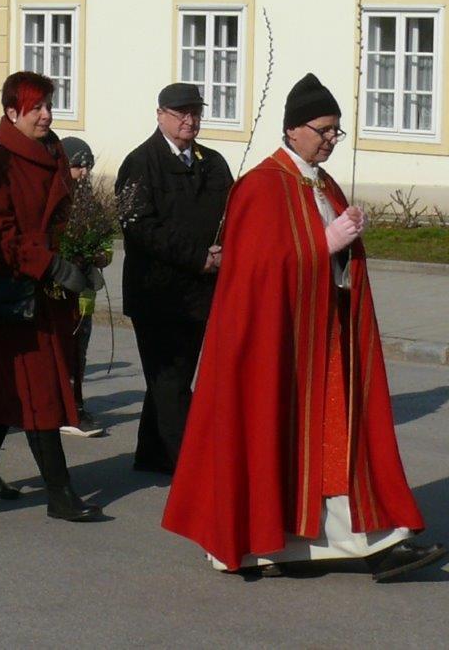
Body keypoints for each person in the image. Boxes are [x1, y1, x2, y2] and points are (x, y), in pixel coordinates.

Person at [162, 73, 446, 581]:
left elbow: (320, 258)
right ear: (293, 129)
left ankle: (372, 541)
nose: (332, 139)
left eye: (337, 130)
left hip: (324, 341)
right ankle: (265, 546)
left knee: (337, 443)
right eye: (324, 129)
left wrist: (345, 245)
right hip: (277, 347)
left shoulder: (321, 182)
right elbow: (254, 272)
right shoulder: (260, 185)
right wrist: (325, 245)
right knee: (278, 439)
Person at [0, 71, 102, 523]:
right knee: (38, 390)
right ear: (12, 112)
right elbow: (0, 237)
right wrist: (52, 265)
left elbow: (69, 216)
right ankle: (60, 494)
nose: (46, 115)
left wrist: (83, 253)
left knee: (6, 386)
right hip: (15, 292)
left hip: (50, 292)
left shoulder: (55, 152)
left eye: (48, 105)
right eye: (36, 108)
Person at [114, 83, 232, 474]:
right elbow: (139, 228)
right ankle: (192, 468)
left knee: (174, 375)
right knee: (171, 381)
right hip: (157, 293)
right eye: (181, 113)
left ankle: (152, 453)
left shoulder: (211, 162)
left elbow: (232, 211)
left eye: (195, 112)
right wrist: (197, 256)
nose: (190, 121)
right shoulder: (140, 162)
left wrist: (226, 251)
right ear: (160, 114)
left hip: (199, 292)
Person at [58, 136, 107, 438]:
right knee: (62, 353)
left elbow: (105, 240)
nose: (84, 173)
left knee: (79, 353)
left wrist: (101, 255)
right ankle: (64, 408)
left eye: (88, 166)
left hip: (85, 295)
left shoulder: (91, 204)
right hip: (60, 292)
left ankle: (75, 404)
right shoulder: (56, 200)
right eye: (78, 166)